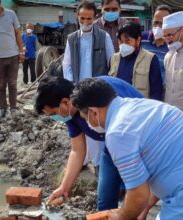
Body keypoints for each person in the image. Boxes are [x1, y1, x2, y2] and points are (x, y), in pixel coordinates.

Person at [70, 78, 183, 219]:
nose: (88, 122)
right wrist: (146, 206)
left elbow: (138, 195)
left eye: (86, 117)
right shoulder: (145, 106)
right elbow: (163, 164)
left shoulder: (118, 132)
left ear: (94, 112)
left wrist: (121, 216)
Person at [34, 75, 143, 210]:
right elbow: (77, 151)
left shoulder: (97, 93)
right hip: (111, 145)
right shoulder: (70, 114)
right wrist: (64, 188)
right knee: (105, 199)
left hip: (138, 141)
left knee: (135, 197)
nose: (55, 118)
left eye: (54, 113)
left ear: (65, 102)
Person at [62, 1, 114, 82]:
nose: (85, 22)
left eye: (89, 19)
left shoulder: (104, 37)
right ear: (77, 16)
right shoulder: (71, 39)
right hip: (77, 87)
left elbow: (112, 64)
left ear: (94, 18)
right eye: (82, 18)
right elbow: (67, 65)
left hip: (98, 88)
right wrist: (70, 83)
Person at [109, 23, 163, 100]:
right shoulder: (114, 58)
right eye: (121, 42)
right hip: (119, 106)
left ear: (138, 40)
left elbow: (156, 91)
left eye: (128, 41)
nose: (123, 45)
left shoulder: (150, 58)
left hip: (140, 107)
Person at [141, 4, 171, 80]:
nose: (158, 26)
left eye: (162, 23)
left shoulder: (173, 44)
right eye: (156, 22)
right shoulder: (141, 39)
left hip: (164, 89)